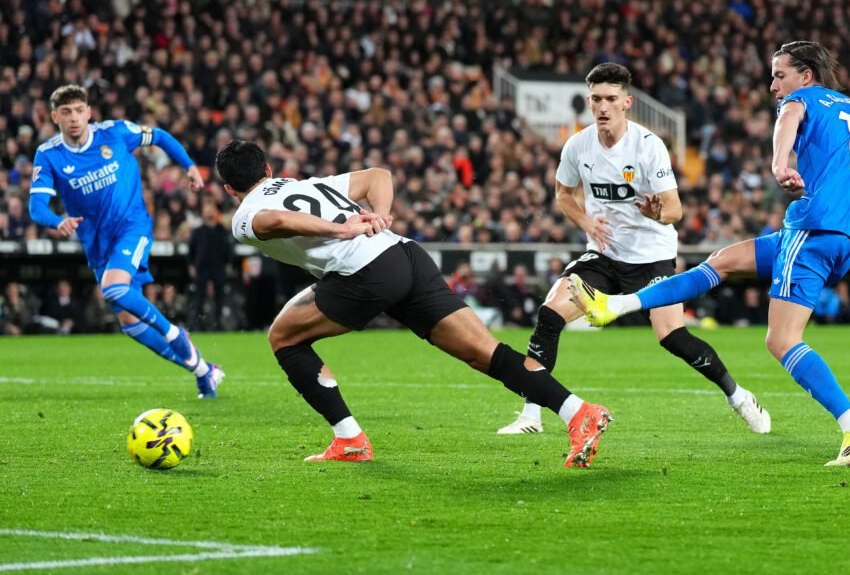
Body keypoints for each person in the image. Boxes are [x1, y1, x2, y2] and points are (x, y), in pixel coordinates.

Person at [571, 42, 850, 466]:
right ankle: (615, 305)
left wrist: (778, 162)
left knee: (781, 339)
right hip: (848, 239)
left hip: (815, 227)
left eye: (779, 75)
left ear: (806, 76)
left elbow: (788, 117)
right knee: (723, 261)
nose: (773, 86)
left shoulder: (802, 98)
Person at [214, 140, 611, 467]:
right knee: (486, 354)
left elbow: (275, 222)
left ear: (230, 189)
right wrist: (380, 217)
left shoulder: (244, 214)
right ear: (268, 169)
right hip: (406, 256)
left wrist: (341, 229)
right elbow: (377, 176)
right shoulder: (309, 184)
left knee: (283, 337)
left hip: (365, 273)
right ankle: (577, 411)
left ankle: (349, 440)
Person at [497, 62, 771, 436]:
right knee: (549, 315)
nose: (603, 107)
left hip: (651, 257)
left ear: (627, 102)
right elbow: (563, 194)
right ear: (588, 102)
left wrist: (658, 213)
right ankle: (531, 414)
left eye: (611, 99)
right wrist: (586, 222)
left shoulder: (647, 147)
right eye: (596, 99)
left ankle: (738, 396)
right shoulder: (578, 145)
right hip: (604, 255)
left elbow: (676, 209)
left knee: (672, 337)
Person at [28, 84, 223, 397]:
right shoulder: (49, 155)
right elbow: (36, 206)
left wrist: (189, 166)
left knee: (113, 287)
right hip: (97, 243)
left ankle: (175, 333)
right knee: (128, 320)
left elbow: (159, 136)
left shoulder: (115, 133)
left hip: (132, 227)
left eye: (79, 110)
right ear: (55, 117)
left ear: (89, 112)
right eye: (66, 112)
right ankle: (204, 370)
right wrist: (56, 220)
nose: (74, 117)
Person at [188, 198, 234, 330]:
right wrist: (191, 265)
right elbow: (191, 250)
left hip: (218, 266)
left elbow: (228, 250)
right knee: (199, 298)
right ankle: (196, 324)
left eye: (211, 208)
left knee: (220, 298)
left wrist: (227, 263)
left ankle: (218, 324)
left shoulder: (222, 230)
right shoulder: (198, 231)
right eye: (206, 208)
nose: (208, 211)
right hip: (202, 267)